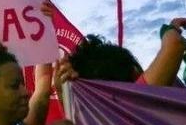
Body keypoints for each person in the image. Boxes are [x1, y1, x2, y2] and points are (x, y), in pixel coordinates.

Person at [56, 17, 186, 86]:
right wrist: (171, 27)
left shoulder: (97, 123)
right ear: (134, 71)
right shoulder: (138, 100)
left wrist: (63, 92)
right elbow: (175, 44)